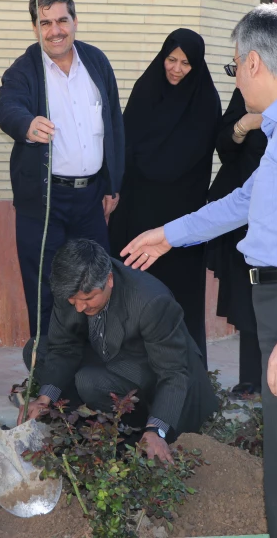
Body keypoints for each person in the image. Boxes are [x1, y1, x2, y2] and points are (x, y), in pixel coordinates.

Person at [121, 4, 277, 538]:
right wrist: (170, 234)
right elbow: (245, 200)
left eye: (234, 68)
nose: (236, 80)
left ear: (255, 63)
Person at [0, 0, 124, 369]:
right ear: (35, 27)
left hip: (91, 198)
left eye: (62, 20)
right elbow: (8, 107)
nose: (55, 30)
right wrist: (26, 123)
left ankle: (97, 367)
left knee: (96, 280)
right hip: (44, 200)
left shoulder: (97, 62)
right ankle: (48, 371)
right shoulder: (24, 69)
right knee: (45, 287)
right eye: (45, 22)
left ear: (75, 21)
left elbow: (114, 124)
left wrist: (113, 184)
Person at [21, 239, 218, 461]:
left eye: (87, 299)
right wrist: (44, 400)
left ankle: (132, 435)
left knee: (89, 381)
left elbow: (173, 373)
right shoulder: (70, 285)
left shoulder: (151, 301)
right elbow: (64, 347)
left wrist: (156, 429)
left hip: (155, 374)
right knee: (37, 350)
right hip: (109, 352)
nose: (78, 307)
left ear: (110, 280)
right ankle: (83, 426)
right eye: (72, 300)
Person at [107, 28, 221, 363]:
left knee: (176, 295)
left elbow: (189, 156)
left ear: (196, 65)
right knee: (130, 288)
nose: (175, 68)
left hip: (180, 218)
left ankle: (182, 372)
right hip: (135, 210)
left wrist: (144, 162)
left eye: (185, 63)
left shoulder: (204, 100)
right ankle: (125, 373)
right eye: (171, 59)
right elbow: (124, 142)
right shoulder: (146, 88)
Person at [205, 87, 267, 395]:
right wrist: (245, 124)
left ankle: (274, 380)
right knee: (245, 294)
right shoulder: (246, 92)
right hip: (240, 210)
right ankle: (249, 380)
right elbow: (225, 149)